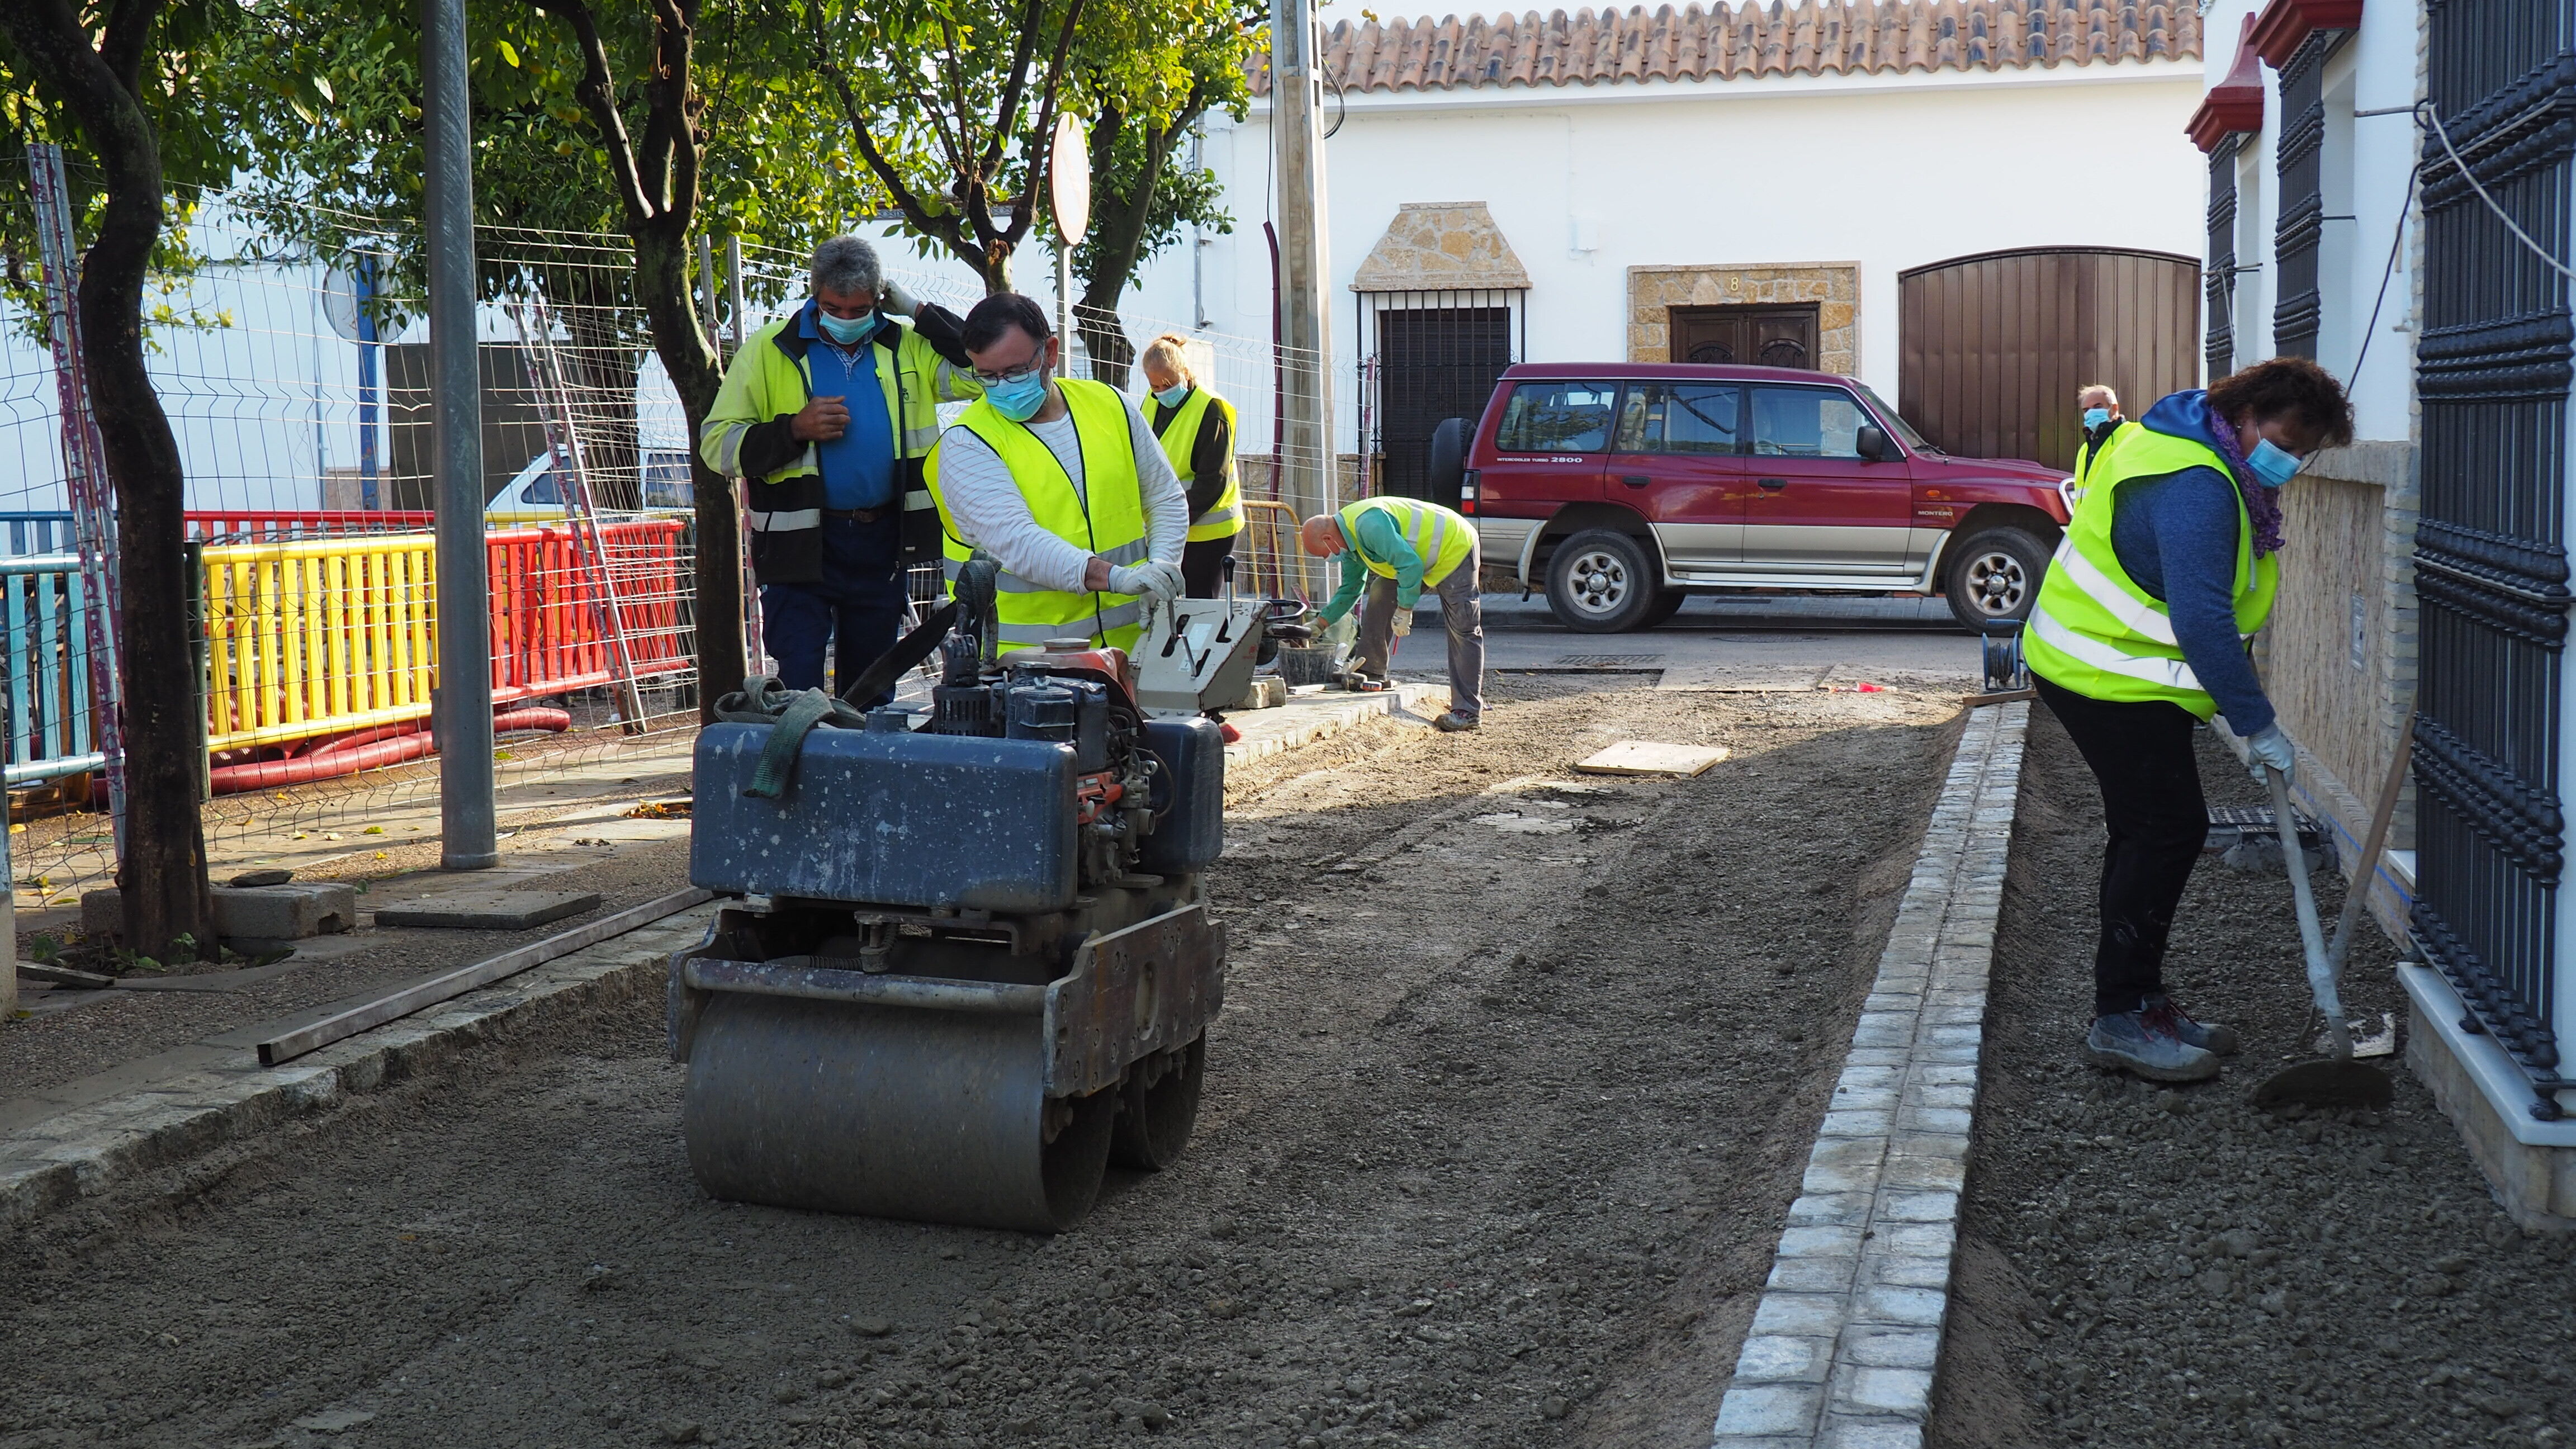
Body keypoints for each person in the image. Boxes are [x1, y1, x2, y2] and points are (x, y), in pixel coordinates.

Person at [2023, 357, 2354, 1083]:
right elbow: (2202, 620)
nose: (2291, 461)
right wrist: (2257, 724)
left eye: (2306, 452)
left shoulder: (2187, 436)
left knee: (2152, 828)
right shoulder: (2200, 486)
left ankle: (2141, 1002)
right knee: (2166, 829)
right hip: (2099, 673)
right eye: (2288, 442)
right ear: (2246, 415)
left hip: (2112, 667)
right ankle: (2120, 1017)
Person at [700, 235, 978, 702]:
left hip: (882, 542)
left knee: (871, 688)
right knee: (800, 688)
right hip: (799, 544)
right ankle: (801, 769)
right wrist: (794, 430)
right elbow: (716, 445)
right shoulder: (771, 349)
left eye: (860, 309)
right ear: (814, 295)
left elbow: (978, 366)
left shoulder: (905, 344)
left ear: (879, 300)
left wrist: (917, 310)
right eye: (834, 308)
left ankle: (862, 772)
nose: (847, 318)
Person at [924, 293, 1187, 650]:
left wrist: (1160, 570)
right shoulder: (967, 443)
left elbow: (1165, 498)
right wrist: (1118, 578)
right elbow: (1018, 543)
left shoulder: (1112, 406)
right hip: (1025, 670)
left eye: (1016, 371)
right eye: (987, 376)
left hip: (1135, 651)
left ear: (1050, 352)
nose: (1003, 386)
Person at [1299, 497, 1483, 733]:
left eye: (1324, 555)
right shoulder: (1348, 542)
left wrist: (1405, 610)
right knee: (1381, 592)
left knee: (1463, 627)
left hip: (1453, 547)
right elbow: (1351, 588)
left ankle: (1467, 711)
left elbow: (1410, 566)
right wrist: (1321, 623)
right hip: (1417, 557)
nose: (1329, 560)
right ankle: (1371, 671)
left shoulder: (1369, 525)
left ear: (1328, 539)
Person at [1137, 334, 1243, 598]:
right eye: (1155, 387)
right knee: (1166, 604)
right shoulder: (1152, 401)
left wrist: (1172, 520)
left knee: (1201, 606)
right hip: (1170, 525)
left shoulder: (1213, 409)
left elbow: (1212, 482)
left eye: (1168, 384)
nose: (1161, 392)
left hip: (1209, 529)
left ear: (1185, 372)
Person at [2072, 383, 2126, 498]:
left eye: (2097, 407)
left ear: (2114, 408)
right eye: (2086, 410)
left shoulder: (2131, 436)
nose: (2090, 413)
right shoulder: (2085, 449)